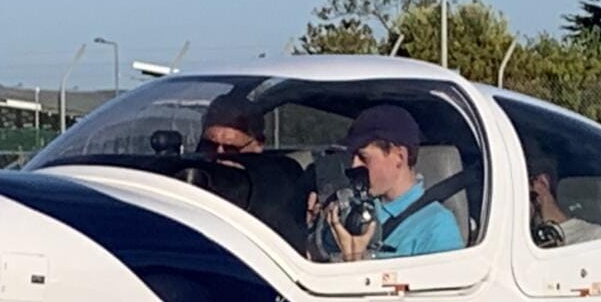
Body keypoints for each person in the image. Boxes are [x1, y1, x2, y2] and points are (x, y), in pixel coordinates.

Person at [326, 105, 464, 261]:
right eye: (352, 158)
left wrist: (356, 259)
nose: (354, 166)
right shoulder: (354, 209)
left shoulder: (437, 227)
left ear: (399, 157)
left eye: (364, 158)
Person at [197, 93, 315, 252]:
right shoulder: (191, 179)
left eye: (231, 149)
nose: (219, 156)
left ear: (258, 145)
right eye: (209, 145)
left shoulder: (279, 191)